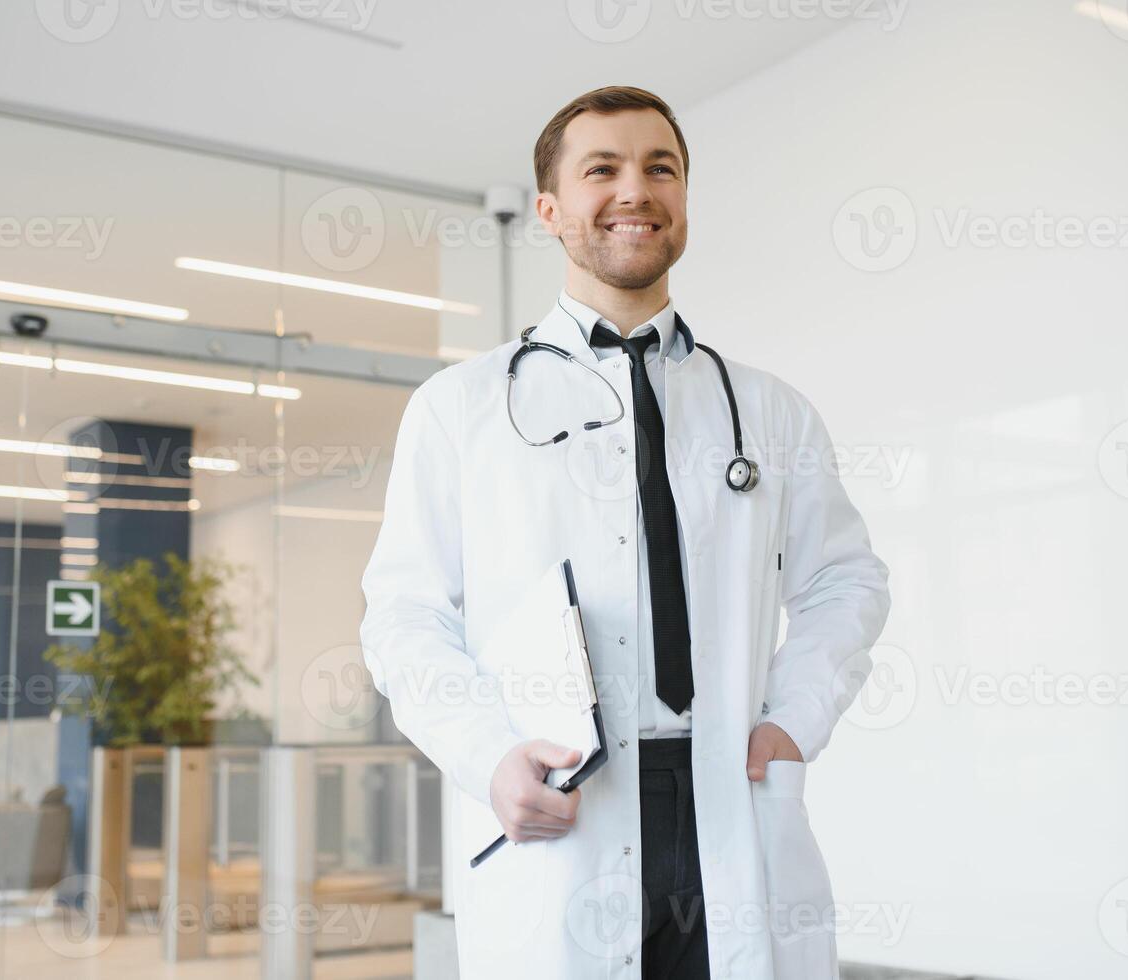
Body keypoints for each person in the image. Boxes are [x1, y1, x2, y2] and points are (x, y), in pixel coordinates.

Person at [359, 85, 891, 980]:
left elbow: (848, 581)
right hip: (564, 803)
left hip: (731, 799)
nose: (634, 191)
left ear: (683, 199)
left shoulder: (768, 409)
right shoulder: (462, 408)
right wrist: (488, 757)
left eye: (661, 169)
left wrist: (794, 720)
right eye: (601, 169)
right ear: (551, 210)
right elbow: (404, 615)